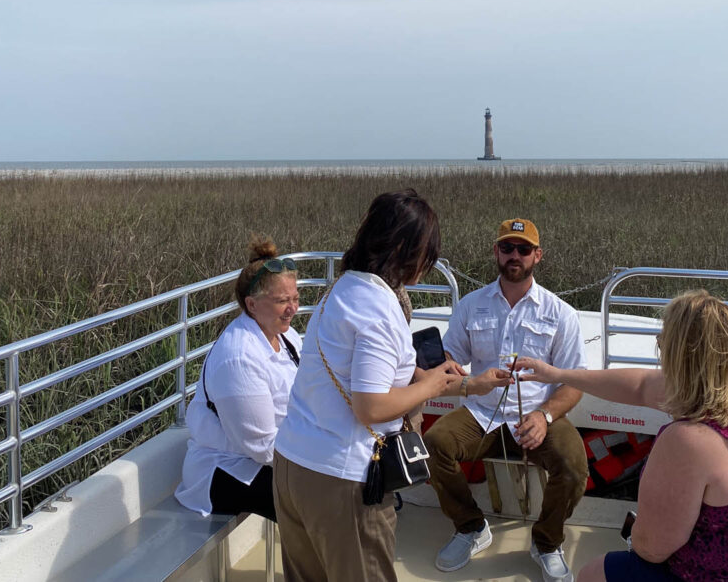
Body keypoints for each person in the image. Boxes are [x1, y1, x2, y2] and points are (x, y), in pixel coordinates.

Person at [515, 289, 728, 582]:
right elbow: (643, 386)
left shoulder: (690, 442)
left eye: (663, 343)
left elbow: (650, 549)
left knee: (593, 573)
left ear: (677, 359)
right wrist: (558, 374)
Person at [273, 189, 504, 582]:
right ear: (406, 251)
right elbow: (371, 407)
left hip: (294, 464)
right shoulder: (380, 309)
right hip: (341, 480)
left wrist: (465, 386)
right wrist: (431, 388)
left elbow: (385, 380)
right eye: (426, 257)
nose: (426, 268)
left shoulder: (342, 289)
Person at [425, 218, 589, 582]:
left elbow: (574, 383)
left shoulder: (560, 312)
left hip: (537, 414)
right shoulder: (471, 305)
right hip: (482, 412)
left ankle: (547, 542)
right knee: (435, 442)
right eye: (507, 247)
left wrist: (544, 416)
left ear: (537, 256)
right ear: (496, 252)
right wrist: (459, 373)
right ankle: (470, 527)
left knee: (574, 465)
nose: (514, 255)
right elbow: (450, 359)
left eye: (523, 249)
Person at [175, 236, 302, 521]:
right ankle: (312, 566)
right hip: (229, 472)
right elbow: (262, 449)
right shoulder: (239, 357)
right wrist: (320, 457)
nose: (292, 308)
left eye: (295, 298)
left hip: (275, 457)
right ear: (252, 305)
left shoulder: (287, 337)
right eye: (282, 300)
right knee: (321, 502)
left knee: (342, 485)